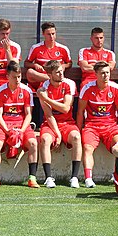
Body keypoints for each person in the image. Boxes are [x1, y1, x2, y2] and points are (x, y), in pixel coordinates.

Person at [77, 61, 118, 189]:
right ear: (96, 74)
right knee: (87, 148)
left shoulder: (116, 88)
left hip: (111, 126)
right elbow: (80, 111)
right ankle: (88, 178)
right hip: (92, 126)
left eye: (107, 73)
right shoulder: (87, 88)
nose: (106, 76)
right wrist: (79, 130)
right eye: (102, 73)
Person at [0, 61, 38, 189]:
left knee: (33, 143)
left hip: (22, 124)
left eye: (19, 76)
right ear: (7, 76)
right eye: (14, 77)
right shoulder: (0, 91)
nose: (17, 80)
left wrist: (21, 130)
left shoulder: (27, 90)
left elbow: (28, 114)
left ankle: (32, 178)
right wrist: (7, 130)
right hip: (4, 125)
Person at [36, 60, 82, 188]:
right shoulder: (43, 87)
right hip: (50, 124)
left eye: (62, 71)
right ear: (50, 75)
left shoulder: (69, 84)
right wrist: (58, 134)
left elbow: (66, 108)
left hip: (67, 122)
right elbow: (48, 114)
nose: (61, 74)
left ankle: (74, 177)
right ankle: (48, 177)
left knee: (76, 137)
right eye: (57, 72)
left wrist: (46, 98)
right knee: (45, 139)